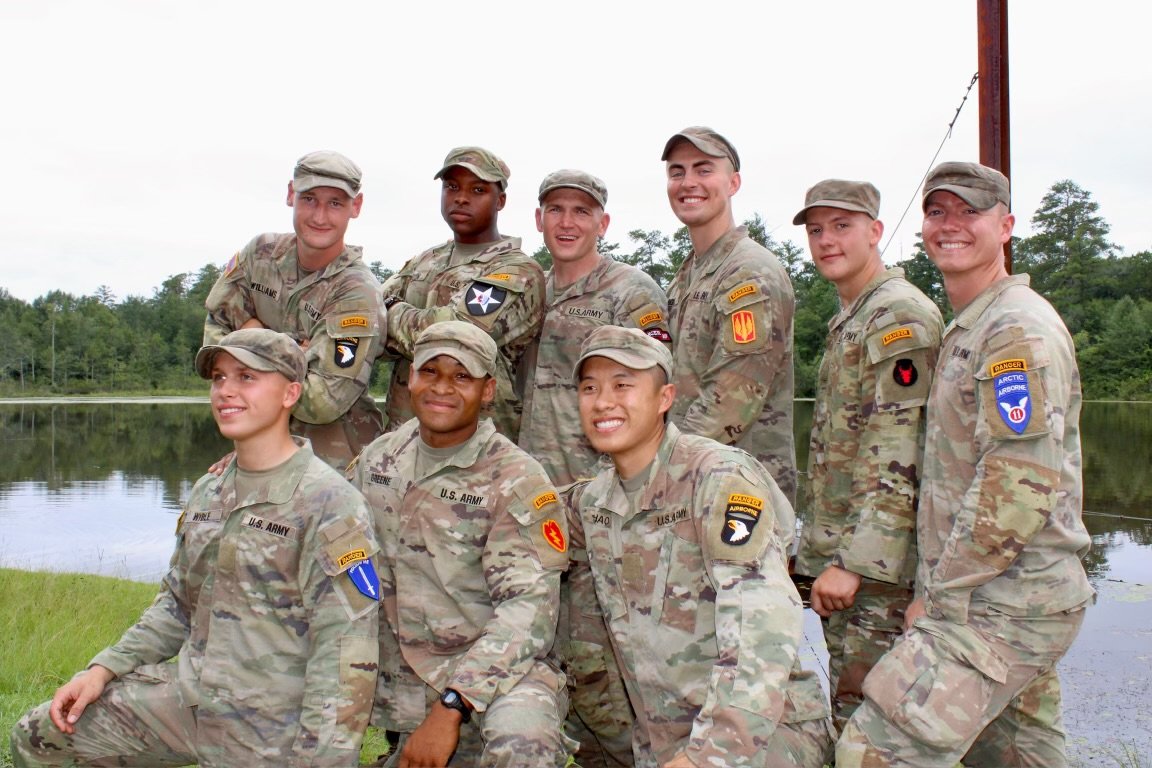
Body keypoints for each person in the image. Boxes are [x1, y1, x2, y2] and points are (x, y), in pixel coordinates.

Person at [11, 328, 381, 767]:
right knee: (41, 736)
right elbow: (176, 603)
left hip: (273, 722)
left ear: (290, 394)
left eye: (247, 377)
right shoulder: (210, 490)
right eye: (219, 378)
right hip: (192, 699)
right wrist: (102, 669)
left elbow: (345, 655)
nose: (226, 391)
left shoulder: (330, 502)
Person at [837, 162, 1095, 767]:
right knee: (1017, 757)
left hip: (1002, 605)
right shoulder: (972, 324)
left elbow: (1016, 488)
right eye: (937, 212)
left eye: (969, 212)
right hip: (1015, 596)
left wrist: (939, 599)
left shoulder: (1014, 330)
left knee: (874, 751)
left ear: (1005, 226)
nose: (950, 225)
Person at [565, 325, 834, 768]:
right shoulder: (596, 501)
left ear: (665, 398)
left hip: (757, 734)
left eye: (622, 385)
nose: (603, 402)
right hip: (664, 741)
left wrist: (707, 757)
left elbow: (761, 628)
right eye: (589, 388)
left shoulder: (717, 479)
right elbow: (525, 513)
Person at [347, 320, 573, 767]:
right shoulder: (380, 459)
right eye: (430, 371)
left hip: (495, 672)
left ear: (487, 390)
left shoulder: (517, 479)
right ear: (411, 378)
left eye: (461, 376)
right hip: (399, 675)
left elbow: (528, 610)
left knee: (524, 740)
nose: (442, 388)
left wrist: (454, 702)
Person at [519, 169, 670, 767]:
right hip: (536, 505)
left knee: (608, 665)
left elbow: (650, 398)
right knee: (558, 655)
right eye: (555, 210)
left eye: (581, 212)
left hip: (603, 508)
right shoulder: (529, 292)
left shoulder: (630, 293)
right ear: (538, 219)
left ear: (603, 222)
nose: (567, 222)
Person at [790, 179, 943, 732]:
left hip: (879, 575)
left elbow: (898, 448)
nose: (826, 241)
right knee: (853, 713)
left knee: (873, 725)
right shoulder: (855, 316)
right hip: (845, 556)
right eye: (816, 230)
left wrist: (855, 563)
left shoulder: (896, 315)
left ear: (875, 231)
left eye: (842, 226)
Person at [203, 150, 386, 469]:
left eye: (335, 203)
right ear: (291, 194)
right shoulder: (260, 255)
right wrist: (294, 353)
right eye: (310, 199)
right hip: (259, 448)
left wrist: (250, 336)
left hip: (336, 463)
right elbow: (213, 337)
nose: (319, 216)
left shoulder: (356, 292)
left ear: (355, 207)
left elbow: (321, 401)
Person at [660, 126, 798, 503]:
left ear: (733, 182)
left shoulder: (750, 273)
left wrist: (653, 475)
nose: (688, 182)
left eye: (704, 169)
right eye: (677, 172)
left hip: (738, 497)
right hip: (689, 492)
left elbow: (730, 402)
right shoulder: (687, 276)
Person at [380, 147, 545, 442]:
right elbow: (368, 317)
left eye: (478, 190)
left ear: (500, 201)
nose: (461, 198)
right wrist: (394, 326)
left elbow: (453, 338)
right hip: (402, 441)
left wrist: (391, 310)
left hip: (476, 447)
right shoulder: (426, 260)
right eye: (452, 187)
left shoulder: (517, 270)